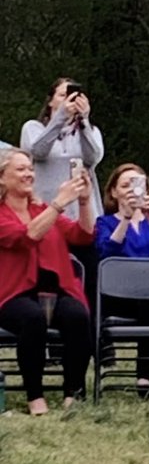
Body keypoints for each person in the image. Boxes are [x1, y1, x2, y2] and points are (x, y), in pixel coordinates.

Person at [0, 148, 94, 414]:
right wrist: (59, 202)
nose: (28, 173)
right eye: (20, 169)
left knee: (78, 315)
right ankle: (35, 396)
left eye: (30, 169)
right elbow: (28, 235)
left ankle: (73, 394)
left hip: (56, 291)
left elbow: (82, 235)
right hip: (13, 295)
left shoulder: (41, 209)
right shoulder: (3, 215)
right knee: (32, 319)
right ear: (2, 178)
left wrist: (84, 202)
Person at [94, 164, 149, 396]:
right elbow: (107, 254)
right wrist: (125, 219)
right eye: (125, 185)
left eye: (136, 184)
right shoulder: (105, 222)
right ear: (114, 192)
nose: (131, 190)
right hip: (118, 294)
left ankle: (144, 378)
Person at [20, 78, 104, 215]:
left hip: (82, 211)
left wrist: (84, 121)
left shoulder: (91, 131)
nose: (68, 100)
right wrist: (60, 118)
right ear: (51, 102)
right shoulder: (33, 128)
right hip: (45, 208)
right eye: (63, 95)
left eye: (74, 96)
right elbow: (38, 152)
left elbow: (93, 158)